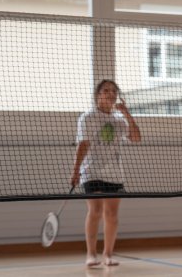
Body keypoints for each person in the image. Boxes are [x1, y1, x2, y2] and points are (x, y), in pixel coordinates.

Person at [71, 80, 141, 267]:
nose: (111, 94)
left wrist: (127, 113)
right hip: (91, 171)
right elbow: (83, 144)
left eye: (114, 91)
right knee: (95, 211)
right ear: (98, 95)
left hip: (114, 174)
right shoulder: (88, 117)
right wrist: (76, 171)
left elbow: (136, 138)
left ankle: (107, 254)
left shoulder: (119, 119)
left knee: (111, 215)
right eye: (106, 90)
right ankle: (91, 254)